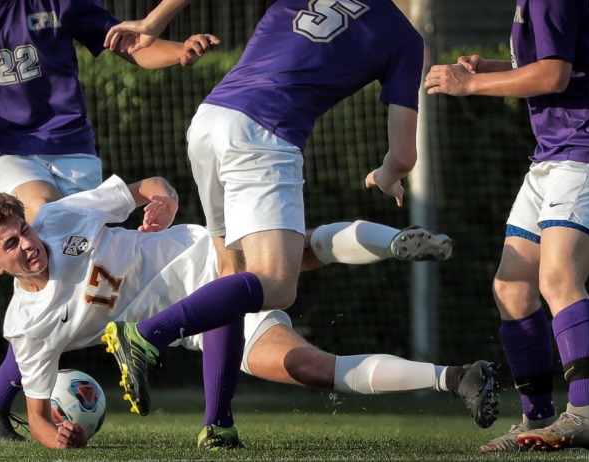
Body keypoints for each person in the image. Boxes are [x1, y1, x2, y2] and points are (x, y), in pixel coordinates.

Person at [0, 174, 498, 449]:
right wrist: (58, 437)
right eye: (9, 246)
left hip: (205, 253)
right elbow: (36, 413)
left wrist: (164, 200)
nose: (28, 244)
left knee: (295, 254)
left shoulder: (61, 218)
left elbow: (147, 186)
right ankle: (454, 378)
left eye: (23, 229)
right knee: (307, 367)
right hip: (197, 331)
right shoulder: (27, 328)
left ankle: (397, 242)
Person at [102, 1, 433, 431]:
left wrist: (152, 21)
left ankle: (218, 424)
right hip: (266, 134)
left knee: (230, 273)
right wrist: (386, 175)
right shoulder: (404, 37)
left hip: (211, 118)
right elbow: (404, 156)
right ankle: (145, 336)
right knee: (276, 285)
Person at [0, 0, 218, 440]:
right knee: (43, 218)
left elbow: (127, 42)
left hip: (74, 148)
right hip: (5, 152)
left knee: (71, 275)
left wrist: (177, 52)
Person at [424, 0, 589, 454]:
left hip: (588, 153)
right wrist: (494, 67)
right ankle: (536, 418)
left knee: (558, 278)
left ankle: (586, 415)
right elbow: (551, 63)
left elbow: (554, 75)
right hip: (554, 157)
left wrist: (473, 83)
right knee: (512, 287)